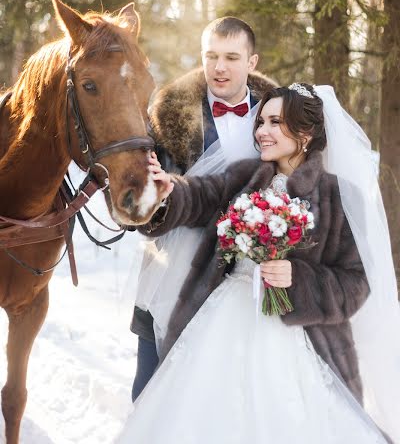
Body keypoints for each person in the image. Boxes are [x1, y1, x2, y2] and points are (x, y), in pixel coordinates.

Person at [117, 83, 400, 444]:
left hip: (304, 342)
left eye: (275, 122)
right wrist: (170, 189)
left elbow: (356, 284)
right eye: (261, 121)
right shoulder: (247, 176)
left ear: (307, 133)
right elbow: (203, 195)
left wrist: (298, 279)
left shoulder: (339, 197)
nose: (262, 131)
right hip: (223, 319)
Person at [130, 16, 277, 400]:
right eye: (211, 56)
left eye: (231, 56)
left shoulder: (279, 119)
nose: (219, 67)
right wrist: (155, 194)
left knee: (223, 399)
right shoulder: (167, 117)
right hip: (172, 273)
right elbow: (140, 210)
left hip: (245, 282)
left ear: (253, 61)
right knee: (149, 392)